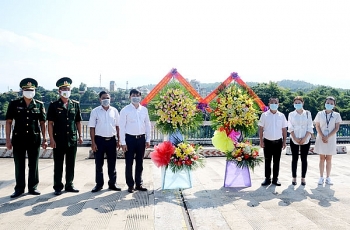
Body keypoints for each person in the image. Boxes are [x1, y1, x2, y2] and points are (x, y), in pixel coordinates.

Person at [5, 78, 47, 198]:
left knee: (34, 164)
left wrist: (45, 139)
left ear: (35, 90)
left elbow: (43, 123)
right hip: (18, 139)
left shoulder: (39, 104)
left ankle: (33, 187)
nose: (29, 91)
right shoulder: (14, 104)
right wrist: (8, 140)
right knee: (19, 164)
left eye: (31, 89)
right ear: (22, 90)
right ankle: (19, 188)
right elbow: (8, 122)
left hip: (34, 138)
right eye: (27, 89)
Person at [47, 77, 83, 195]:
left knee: (71, 163)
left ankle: (69, 184)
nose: (66, 90)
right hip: (58, 139)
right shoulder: (53, 105)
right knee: (58, 164)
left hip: (71, 139)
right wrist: (51, 139)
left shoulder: (75, 105)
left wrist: (80, 135)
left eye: (68, 88)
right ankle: (57, 186)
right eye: (63, 89)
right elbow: (50, 123)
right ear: (59, 91)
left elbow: (78, 121)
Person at [88, 91, 122, 192]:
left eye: (107, 97)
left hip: (111, 140)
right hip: (99, 140)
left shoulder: (114, 111)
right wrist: (93, 142)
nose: (105, 100)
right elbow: (92, 128)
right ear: (100, 99)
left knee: (112, 163)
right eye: (103, 98)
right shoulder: (95, 111)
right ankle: (99, 184)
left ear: (110, 99)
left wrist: (119, 140)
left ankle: (112, 183)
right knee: (99, 163)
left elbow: (117, 126)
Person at [119, 89, 151, 193]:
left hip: (141, 139)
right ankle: (130, 185)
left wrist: (148, 139)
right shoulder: (125, 110)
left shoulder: (144, 110)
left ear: (140, 97)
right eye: (133, 95)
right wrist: (123, 142)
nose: (136, 97)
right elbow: (122, 127)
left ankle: (139, 184)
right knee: (129, 163)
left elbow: (147, 125)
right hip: (129, 139)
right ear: (130, 97)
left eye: (138, 95)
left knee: (140, 162)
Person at [258, 97, 287, 186]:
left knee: (277, 161)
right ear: (269, 104)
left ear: (278, 104)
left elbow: (284, 129)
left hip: (278, 141)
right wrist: (261, 141)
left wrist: (284, 141)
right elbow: (261, 128)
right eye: (272, 103)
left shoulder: (281, 115)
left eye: (276, 103)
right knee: (267, 160)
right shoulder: (264, 115)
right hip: (267, 141)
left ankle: (275, 179)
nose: (274, 104)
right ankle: (267, 178)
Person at [314, 96, 341, 185]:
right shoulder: (319, 114)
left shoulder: (336, 115)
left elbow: (336, 128)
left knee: (329, 159)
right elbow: (317, 126)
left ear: (334, 105)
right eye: (328, 103)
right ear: (325, 103)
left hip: (331, 138)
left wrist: (328, 136)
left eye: (331, 104)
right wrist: (322, 136)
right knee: (321, 158)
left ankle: (328, 177)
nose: (329, 105)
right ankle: (321, 177)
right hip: (321, 138)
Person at [287, 96, 314, 186]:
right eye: (296, 103)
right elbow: (290, 127)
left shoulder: (307, 113)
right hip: (294, 138)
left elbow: (310, 126)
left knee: (304, 159)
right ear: (293, 104)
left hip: (305, 139)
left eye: (299, 102)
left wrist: (305, 138)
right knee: (294, 158)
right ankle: (294, 177)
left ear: (303, 103)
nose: (297, 104)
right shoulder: (291, 114)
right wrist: (294, 137)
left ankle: (303, 178)